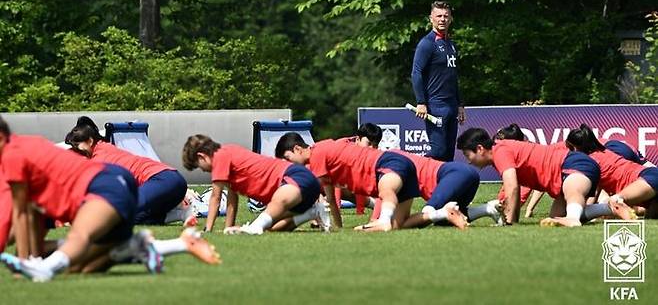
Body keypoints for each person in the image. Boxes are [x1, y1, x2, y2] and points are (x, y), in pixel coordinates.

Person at [0, 116, 162, 282]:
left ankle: (45, 269)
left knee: (79, 235)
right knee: (82, 268)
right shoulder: (25, 147)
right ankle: (134, 246)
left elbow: (17, 214)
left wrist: (23, 262)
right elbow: (24, 214)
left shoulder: (11, 155)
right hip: (114, 181)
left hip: (103, 182)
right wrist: (28, 259)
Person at [456, 127, 634, 227]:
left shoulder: (500, 151)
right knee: (556, 217)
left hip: (573, 165)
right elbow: (513, 192)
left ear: (480, 149)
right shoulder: (501, 151)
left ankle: (573, 219)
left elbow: (512, 188)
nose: (468, 161)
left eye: (467, 155)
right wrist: (512, 221)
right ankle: (609, 208)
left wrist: (509, 223)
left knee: (572, 212)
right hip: (571, 170)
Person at [181, 134, 329, 235]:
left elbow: (216, 197)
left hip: (295, 177)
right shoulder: (228, 160)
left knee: (270, 211)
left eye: (199, 165)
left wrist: (208, 230)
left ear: (202, 156)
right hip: (303, 193)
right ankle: (312, 212)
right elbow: (232, 200)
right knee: (272, 227)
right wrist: (228, 228)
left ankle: (255, 227)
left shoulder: (220, 155)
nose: (202, 170)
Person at [275, 132, 420, 232]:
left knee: (386, 191)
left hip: (386, 163)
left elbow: (309, 195)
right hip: (399, 164)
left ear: (298, 149)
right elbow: (331, 200)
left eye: (288, 158)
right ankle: (438, 214)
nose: (290, 164)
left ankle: (383, 220)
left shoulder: (317, 156)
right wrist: (339, 229)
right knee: (398, 225)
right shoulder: (321, 156)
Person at [65, 116, 192, 226]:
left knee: (120, 213)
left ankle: (179, 210)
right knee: (132, 219)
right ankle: (179, 214)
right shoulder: (105, 147)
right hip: (174, 181)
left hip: (162, 179)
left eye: (76, 146)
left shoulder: (99, 159)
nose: (75, 150)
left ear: (90, 141)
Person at [394, 150, 503, 229]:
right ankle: (487, 209)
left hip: (454, 174)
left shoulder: (389, 161)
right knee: (445, 219)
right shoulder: (393, 157)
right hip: (464, 175)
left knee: (427, 214)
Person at [411, 0, 465, 161]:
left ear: (451, 19)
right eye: (439, 16)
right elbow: (416, 72)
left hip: (451, 106)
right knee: (438, 151)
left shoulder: (451, 44)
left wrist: (460, 104)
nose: (442, 19)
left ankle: (446, 186)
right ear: (431, 18)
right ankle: (417, 176)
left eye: (445, 16)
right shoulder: (427, 43)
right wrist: (421, 101)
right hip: (436, 106)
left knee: (449, 154)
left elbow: (453, 76)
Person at [566, 124, 658, 218]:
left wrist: (578, 212)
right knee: (650, 219)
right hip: (650, 179)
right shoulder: (603, 152)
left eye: (568, 147)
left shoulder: (587, 163)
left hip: (648, 179)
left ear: (574, 147)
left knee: (616, 201)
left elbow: (593, 195)